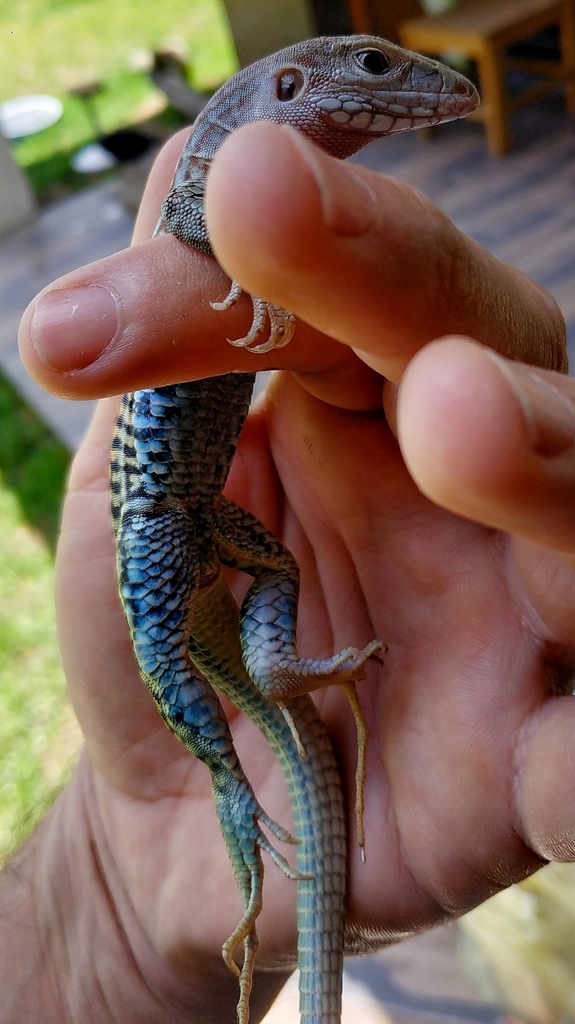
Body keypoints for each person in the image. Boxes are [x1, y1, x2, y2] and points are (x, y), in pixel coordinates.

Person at [3, 121, 574, 1023]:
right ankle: (250, 790)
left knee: (266, 596)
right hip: (158, 522)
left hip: (190, 512)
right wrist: (116, 900)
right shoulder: (205, 205)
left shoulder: (241, 215)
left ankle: (276, 672)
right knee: (219, 747)